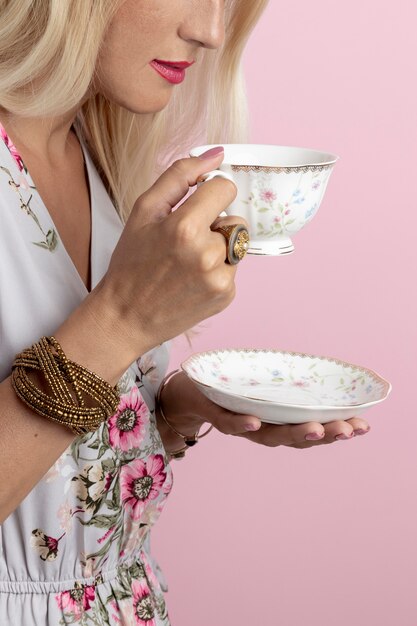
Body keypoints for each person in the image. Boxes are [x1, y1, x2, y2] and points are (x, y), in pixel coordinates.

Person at [0, 1, 371, 624]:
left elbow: (58, 501)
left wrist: (169, 414)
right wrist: (122, 320)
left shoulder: (91, 150)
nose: (211, 32)